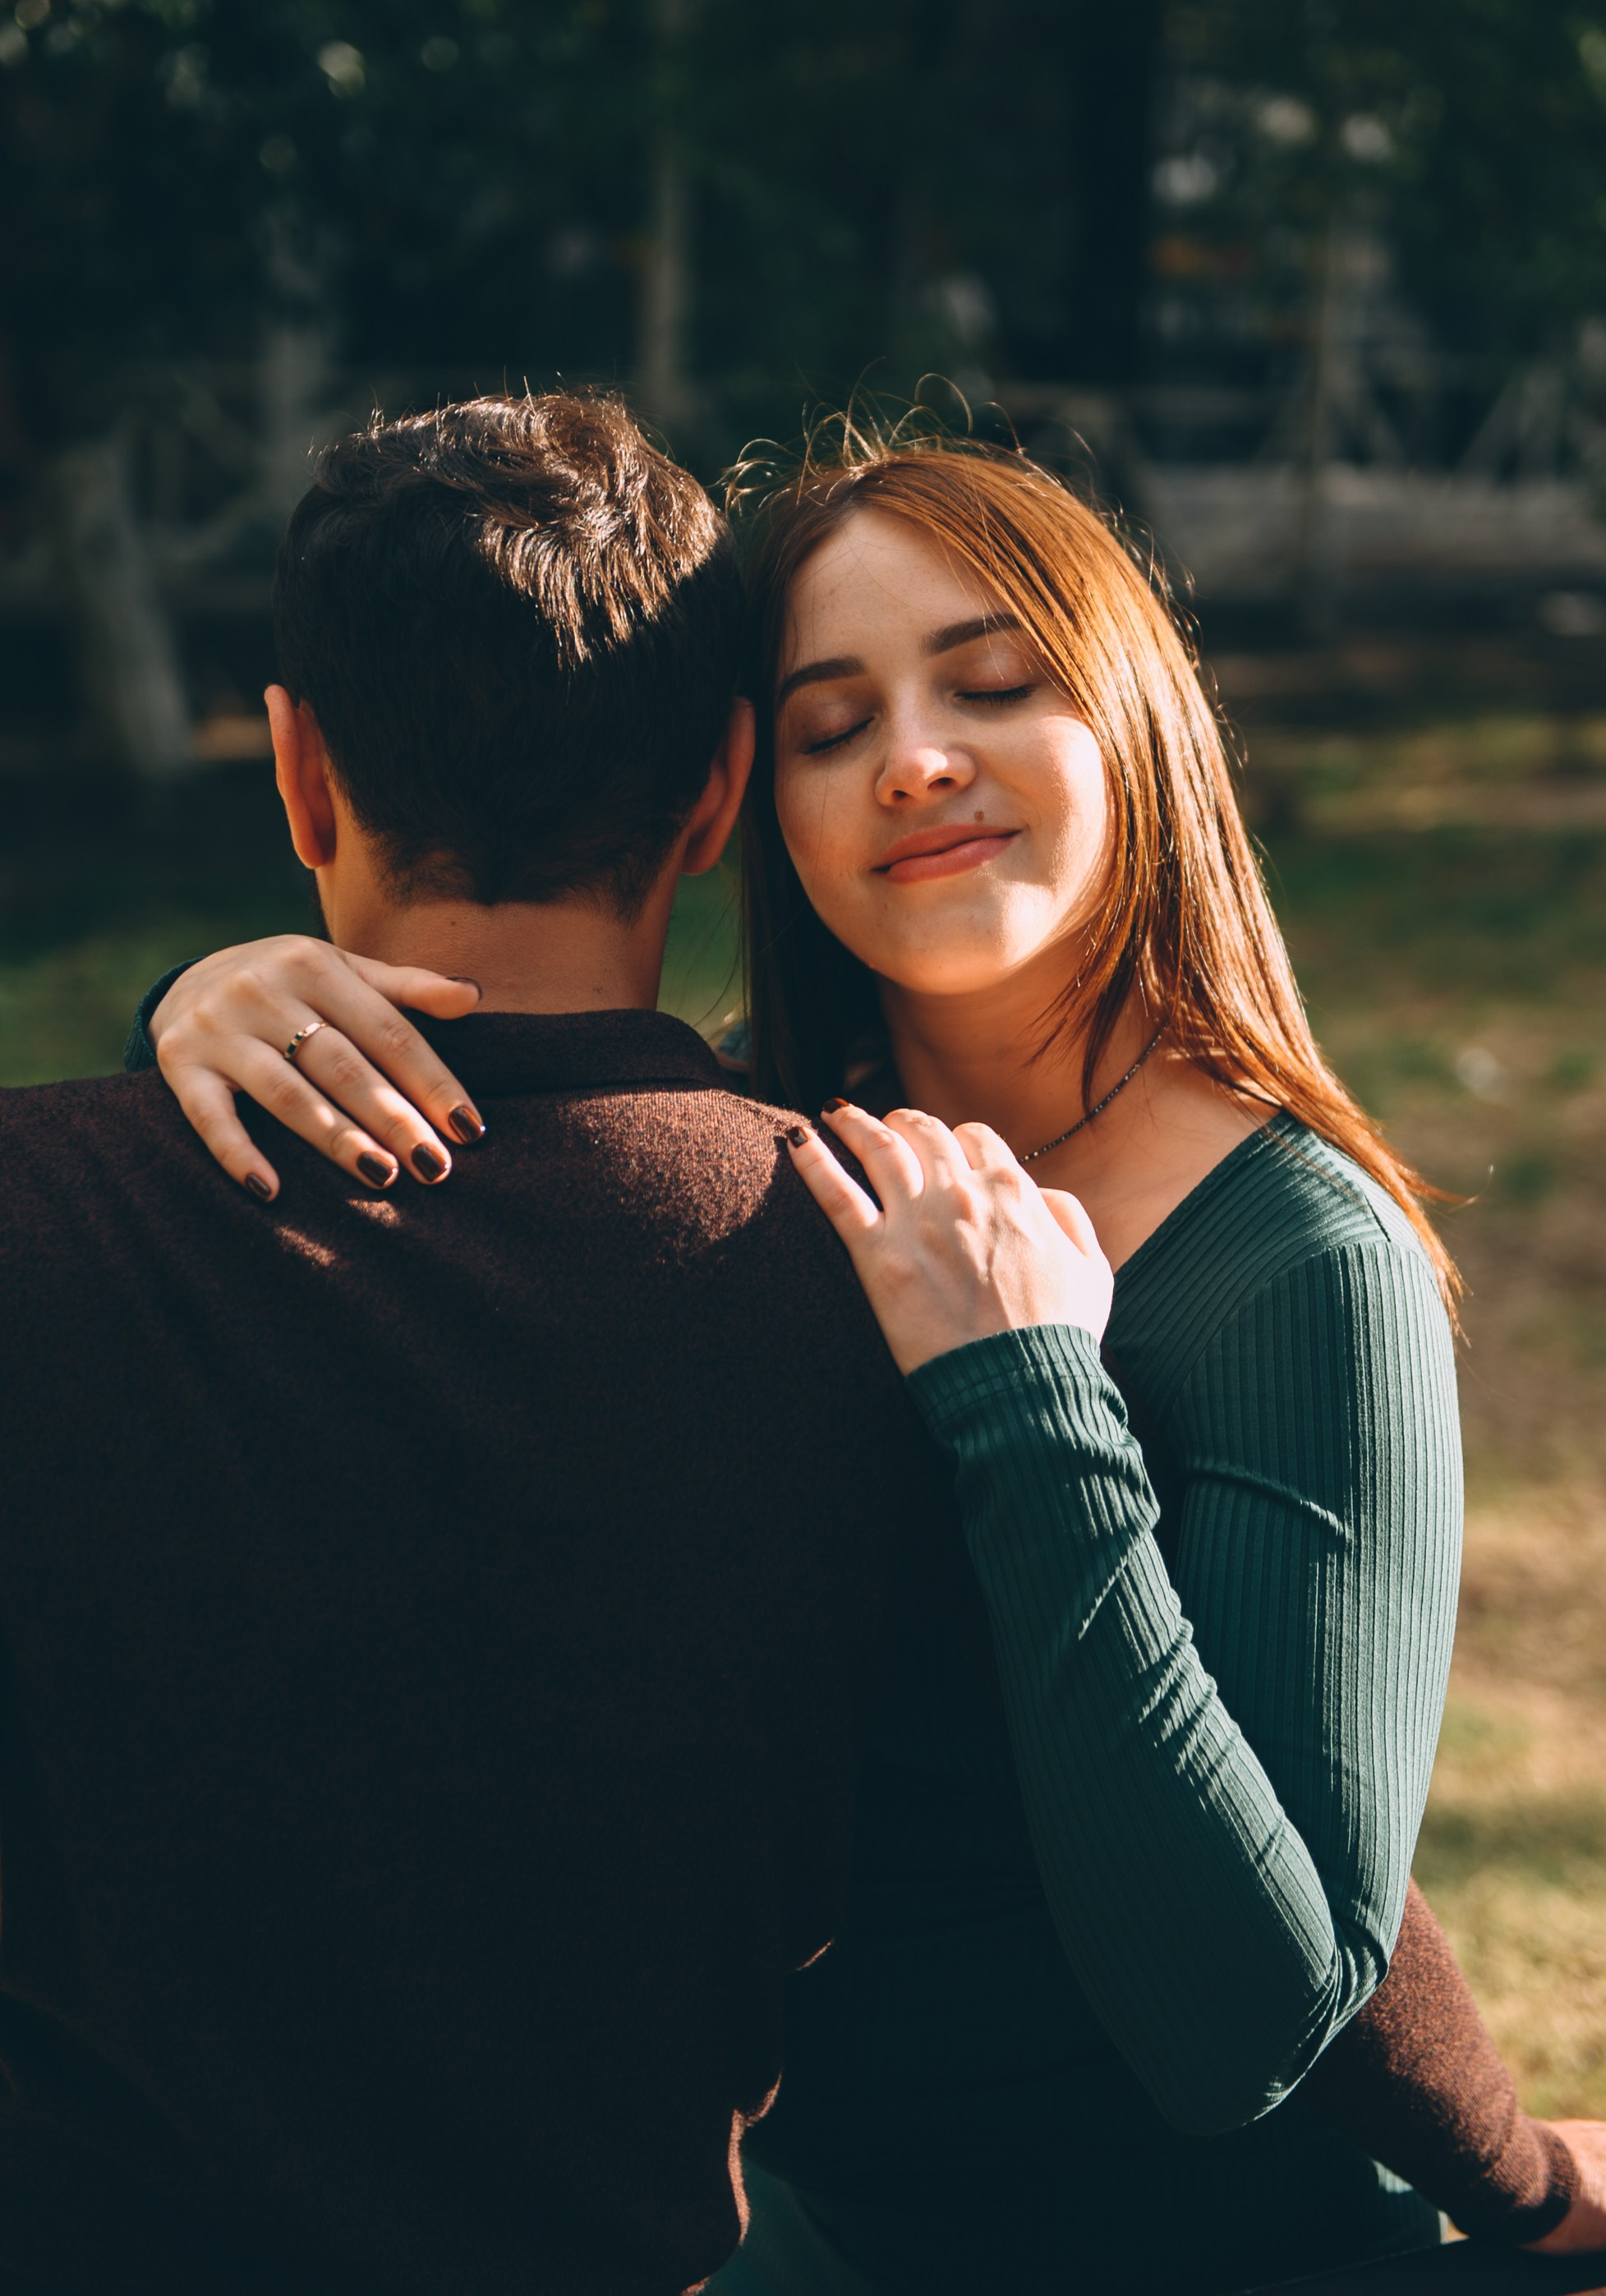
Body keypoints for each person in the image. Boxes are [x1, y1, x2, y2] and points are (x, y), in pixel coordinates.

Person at [126, 418, 1606, 2294]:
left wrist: (1032, 1399)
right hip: (796, 2230)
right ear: (750, 793)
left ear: (1140, 721)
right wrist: (196, 999)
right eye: (832, 727)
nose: (915, 760)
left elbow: (1252, 2014)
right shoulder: (746, 1168)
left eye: (992, 683)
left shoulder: (1299, 1263)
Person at [0, 392, 978, 2296]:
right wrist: (1517, 2184)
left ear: (296, 775)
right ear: (720, 789)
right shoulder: (903, 1279)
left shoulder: (32, 1219)